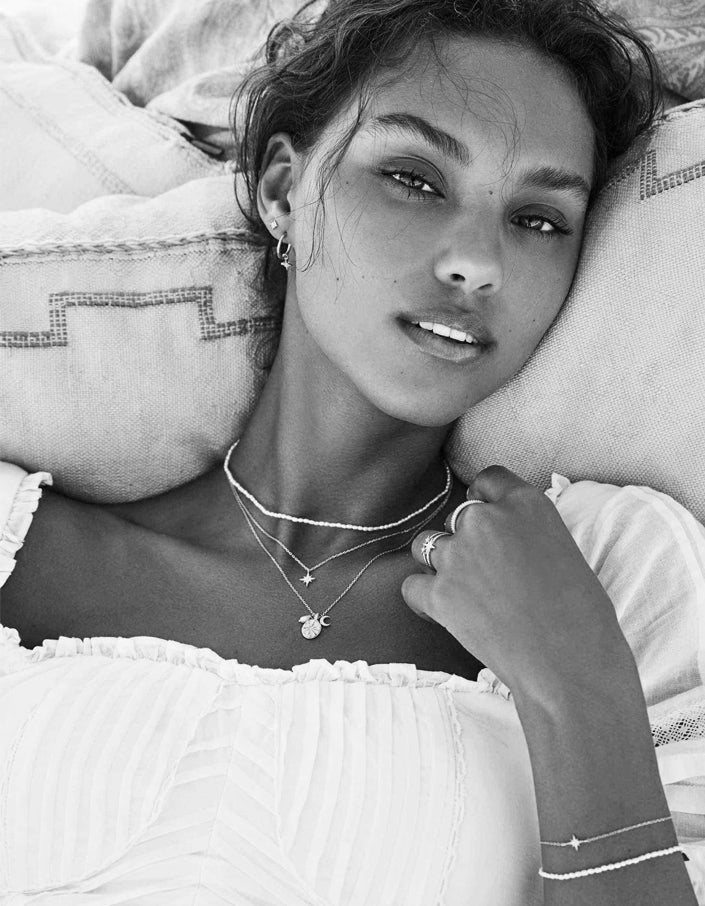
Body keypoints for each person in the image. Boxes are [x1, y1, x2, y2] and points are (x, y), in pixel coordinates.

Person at [0, 0, 702, 903]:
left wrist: (576, 687)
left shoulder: (608, 575)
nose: (478, 262)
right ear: (283, 191)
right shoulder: (20, 545)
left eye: (538, 219)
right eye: (413, 178)